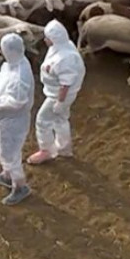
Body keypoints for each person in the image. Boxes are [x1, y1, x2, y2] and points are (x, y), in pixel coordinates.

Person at [0, 32, 34, 206]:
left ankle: (20, 186)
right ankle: (6, 176)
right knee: (4, 148)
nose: (1, 51)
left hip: (15, 120)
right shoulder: (11, 64)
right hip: (5, 118)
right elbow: (5, 79)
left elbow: (17, 101)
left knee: (11, 153)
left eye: (3, 49)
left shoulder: (20, 76)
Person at [29, 19, 86, 166]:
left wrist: (60, 102)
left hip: (58, 95)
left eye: (48, 37)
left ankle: (46, 150)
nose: (45, 40)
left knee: (42, 120)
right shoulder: (63, 47)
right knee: (60, 119)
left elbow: (65, 84)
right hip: (58, 93)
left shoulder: (65, 58)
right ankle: (64, 149)